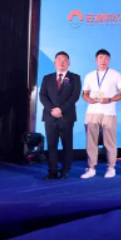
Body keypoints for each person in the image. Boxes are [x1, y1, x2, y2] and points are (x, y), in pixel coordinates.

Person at [80, 48, 121, 179]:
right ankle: (91, 168)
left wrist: (110, 100)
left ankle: (111, 167)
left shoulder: (115, 74)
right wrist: (88, 99)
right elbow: (85, 94)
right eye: (101, 57)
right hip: (92, 111)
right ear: (96, 60)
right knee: (91, 142)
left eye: (106, 58)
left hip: (109, 112)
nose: (103, 60)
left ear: (109, 60)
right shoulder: (89, 75)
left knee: (109, 142)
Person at [39, 51, 81, 180]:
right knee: (51, 145)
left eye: (64, 60)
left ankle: (65, 171)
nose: (62, 62)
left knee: (67, 145)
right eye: (59, 60)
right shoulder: (47, 78)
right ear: (55, 62)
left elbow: (74, 97)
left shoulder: (75, 78)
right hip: (50, 116)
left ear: (69, 63)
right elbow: (42, 96)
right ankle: (52, 171)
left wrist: (61, 109)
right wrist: (52, 109)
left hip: (66, 116)